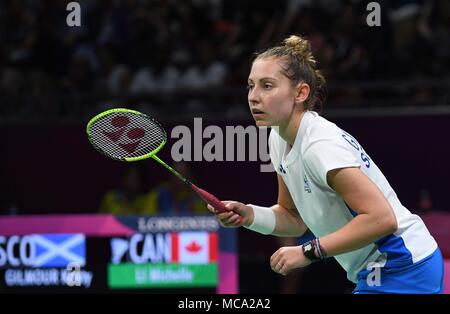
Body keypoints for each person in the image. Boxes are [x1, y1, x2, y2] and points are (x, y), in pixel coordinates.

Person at [208, 35, 444, 294]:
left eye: (267, 86)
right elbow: (294, 217)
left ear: (301, 92)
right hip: (377, 271)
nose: (254, 97)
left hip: (402, 266)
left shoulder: (320, 145)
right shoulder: (277, 138)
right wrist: (249, 215)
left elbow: (381, 218)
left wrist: (308, 252)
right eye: (250, 86)